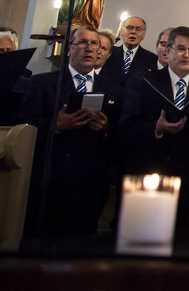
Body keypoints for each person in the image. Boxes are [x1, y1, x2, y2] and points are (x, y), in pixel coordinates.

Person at [18, 27, 121, 236]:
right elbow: (23, 127)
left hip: (91, 183)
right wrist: (55, 126)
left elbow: (122, 133)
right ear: (69, 49)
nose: (89, 48)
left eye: (95, 44)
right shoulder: (43, 83)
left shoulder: (114, 89)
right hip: (51, 180)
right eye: (83, 42)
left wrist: (106, 129)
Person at [120, 26, 189, 228]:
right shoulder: (143, 81)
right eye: (181, 49)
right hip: (150, 171)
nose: (186, 55)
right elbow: (125, 126)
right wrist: (157, 128)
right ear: (168, 51)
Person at [104, 15, 156, 81]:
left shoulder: (152, 59)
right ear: (121, 31)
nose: (133, 32)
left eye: (138, 29)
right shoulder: (108, 52)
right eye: (129, 28)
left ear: (143, 34)